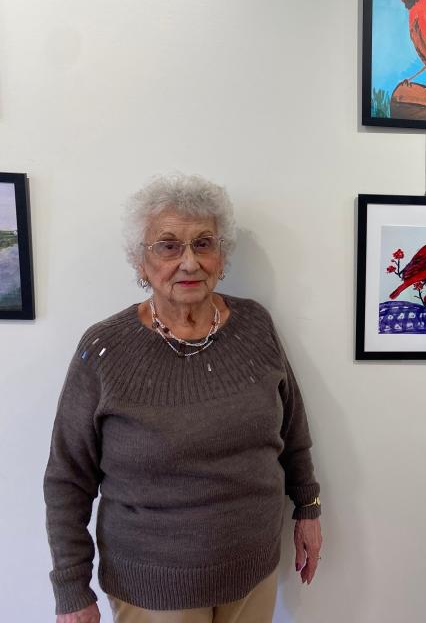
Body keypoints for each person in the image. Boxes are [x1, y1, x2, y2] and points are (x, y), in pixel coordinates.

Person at [43, 174, 322, 623]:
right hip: (154, 587)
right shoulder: (104, 349)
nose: (189, 263)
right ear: (140, 261)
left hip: (253, 568)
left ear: (222, 255)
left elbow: (292, 429)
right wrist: (71, 588)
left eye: (203, 244)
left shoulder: (255, 325)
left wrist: (307, 505)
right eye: (168, 245)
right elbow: (67, 477)